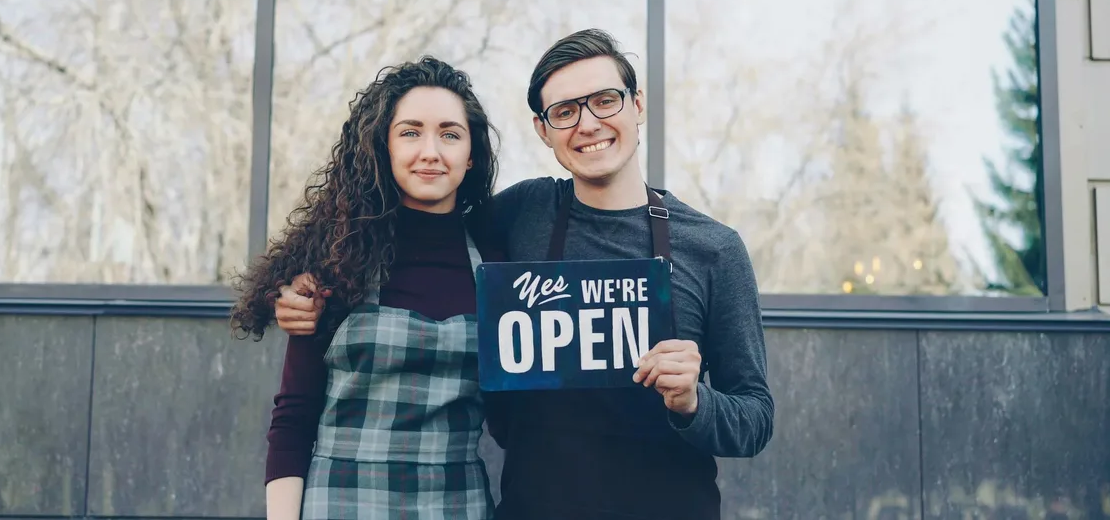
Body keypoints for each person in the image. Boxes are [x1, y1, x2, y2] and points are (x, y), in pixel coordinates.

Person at [271, 30, 775, 520]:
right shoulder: (522, 215)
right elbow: (417, 235)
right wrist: (302, 284)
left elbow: (755, 418)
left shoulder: (714, 248)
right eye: (565, 111)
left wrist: (693, 401)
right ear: (544, 129)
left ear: (637, 105)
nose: (589, 123)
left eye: (605, 100)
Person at [230, 57, 504, 520]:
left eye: (450, 134)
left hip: (459, 503)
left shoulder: (497, 263)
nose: (431, 151)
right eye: (411, 132)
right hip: (341, 502)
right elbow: (294, 417)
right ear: (385, 147)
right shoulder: (338, 264)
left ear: (471, 153)